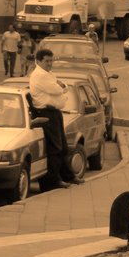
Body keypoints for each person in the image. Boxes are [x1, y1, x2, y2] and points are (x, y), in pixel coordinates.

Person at [28, 48, 82, 188]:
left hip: (55, 113)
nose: (50, 64)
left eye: (51, 60)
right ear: (38, 61)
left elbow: (62, 85)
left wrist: (61, 87)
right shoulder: (40, 75)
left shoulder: (48, 73)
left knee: (62, 147)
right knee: (55, 148)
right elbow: (58, 89)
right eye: (47, 61)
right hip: (46, 114)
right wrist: (61, 88)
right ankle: (53, 181)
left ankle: (68, 176)